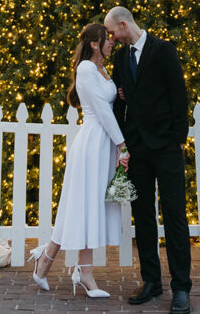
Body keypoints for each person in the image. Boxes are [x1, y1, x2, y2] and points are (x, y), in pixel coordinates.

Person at [104, 6, 192, 314]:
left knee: (174, 216)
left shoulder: (164, 50)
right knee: (142, 218)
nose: (111, 38)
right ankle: (151, 281)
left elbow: (179, 94)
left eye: (112, 32)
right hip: (138, 148)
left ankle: (181, 287)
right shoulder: (120, 59)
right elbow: (118, 98)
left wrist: (178, 138)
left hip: (166, 147)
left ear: (124, 25)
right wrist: (122, 143)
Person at [29, 22, 129, 297]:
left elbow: (110, 103)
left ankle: (58, 265)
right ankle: (71, 268)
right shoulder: (86, 68)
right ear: (95, 44)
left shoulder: (103, 70)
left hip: (103, 145)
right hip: (92, 143)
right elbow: (102, 111)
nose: (111, 42)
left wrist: (119, 94)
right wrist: (122, 145)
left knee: (89, 207)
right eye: (106, 39)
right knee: (82, 205)